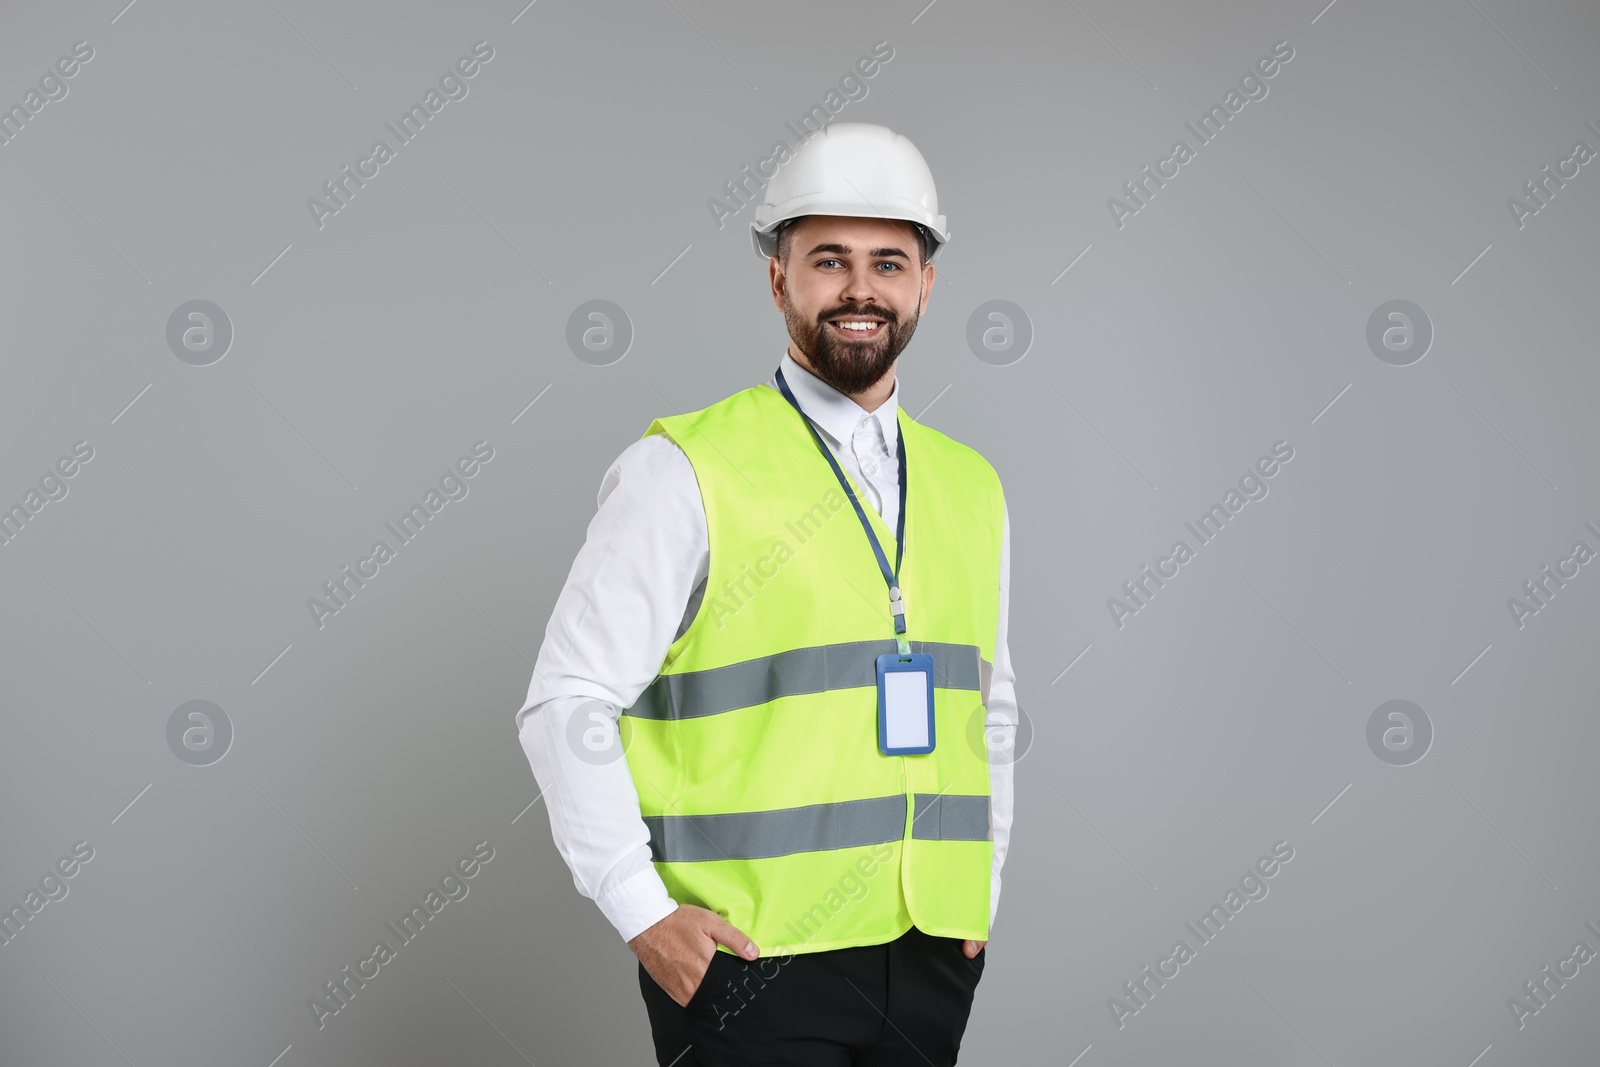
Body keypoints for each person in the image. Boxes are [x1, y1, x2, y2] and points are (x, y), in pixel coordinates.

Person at [515, 122, 1018, 1066]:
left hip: (928, 960)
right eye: (829, 259)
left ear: (926, 283)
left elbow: (990, 700)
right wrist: (642, 913)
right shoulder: (685, 469)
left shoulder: (971, 485)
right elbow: (565, 703)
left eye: (889, 261)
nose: (861, 289)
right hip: (750, 963)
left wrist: (976, 883)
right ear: (778, 277)